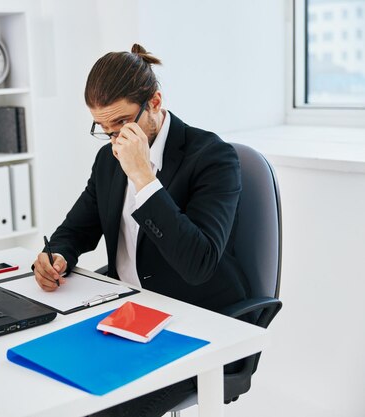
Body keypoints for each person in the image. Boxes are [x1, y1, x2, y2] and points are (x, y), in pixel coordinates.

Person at [32, 44, 250, 416]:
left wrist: (144, 179)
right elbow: (77, 228)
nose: (115, 138)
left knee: (101, 410)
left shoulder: (213, 157)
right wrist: (58, 255)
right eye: (104, 128)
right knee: (50, 389)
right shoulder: (108, 159)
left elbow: (198, 263)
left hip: (196, 322)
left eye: (121, 124)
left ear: (154, 102)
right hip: (129, 316)